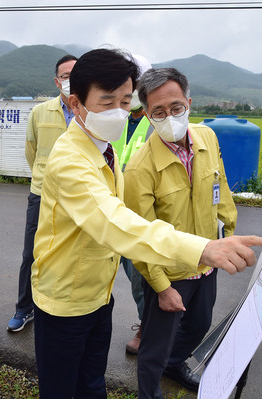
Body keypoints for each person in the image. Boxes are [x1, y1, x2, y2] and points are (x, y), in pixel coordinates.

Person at [30, 48, 262, 399]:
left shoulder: (104, 147)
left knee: (93, 384)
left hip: (98, 294)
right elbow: (118, 223)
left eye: (125, 101)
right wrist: (202, 248)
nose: (118, 111)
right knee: (63, 390)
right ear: (76, 103)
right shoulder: (70, 161)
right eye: (106, 101)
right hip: (64, 301)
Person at [124, 67, 237, 397]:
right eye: (158, 112)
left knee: (198, 326)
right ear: (146, 114)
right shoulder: (140, 168)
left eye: (176, 108)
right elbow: (139, 237)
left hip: (207, 260)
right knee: (154, 346)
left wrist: (227, 236)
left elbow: (222, 189)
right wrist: (160, 287)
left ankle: (175, 364)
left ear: (188, 102)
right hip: (169, 271)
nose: (169, 116)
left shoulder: (207, 137)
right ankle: (150, 391)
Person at [7, 54, 78, 332]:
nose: (70, 80)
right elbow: (31, 152)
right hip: (42, 194)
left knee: (73, 254)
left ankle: (63, 308)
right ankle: (24, 309)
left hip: (79, 195)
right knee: (31, 253)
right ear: (56, 80)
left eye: (76, 74)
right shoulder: (40, 112)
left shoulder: (92, 112)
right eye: (65, 75)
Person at [111, 53, 154, 355]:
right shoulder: (113, 119)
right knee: (124, 273)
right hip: (113, 211)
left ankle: (148, 329)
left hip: (144, 215)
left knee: (144, 277)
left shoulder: (157, 121)